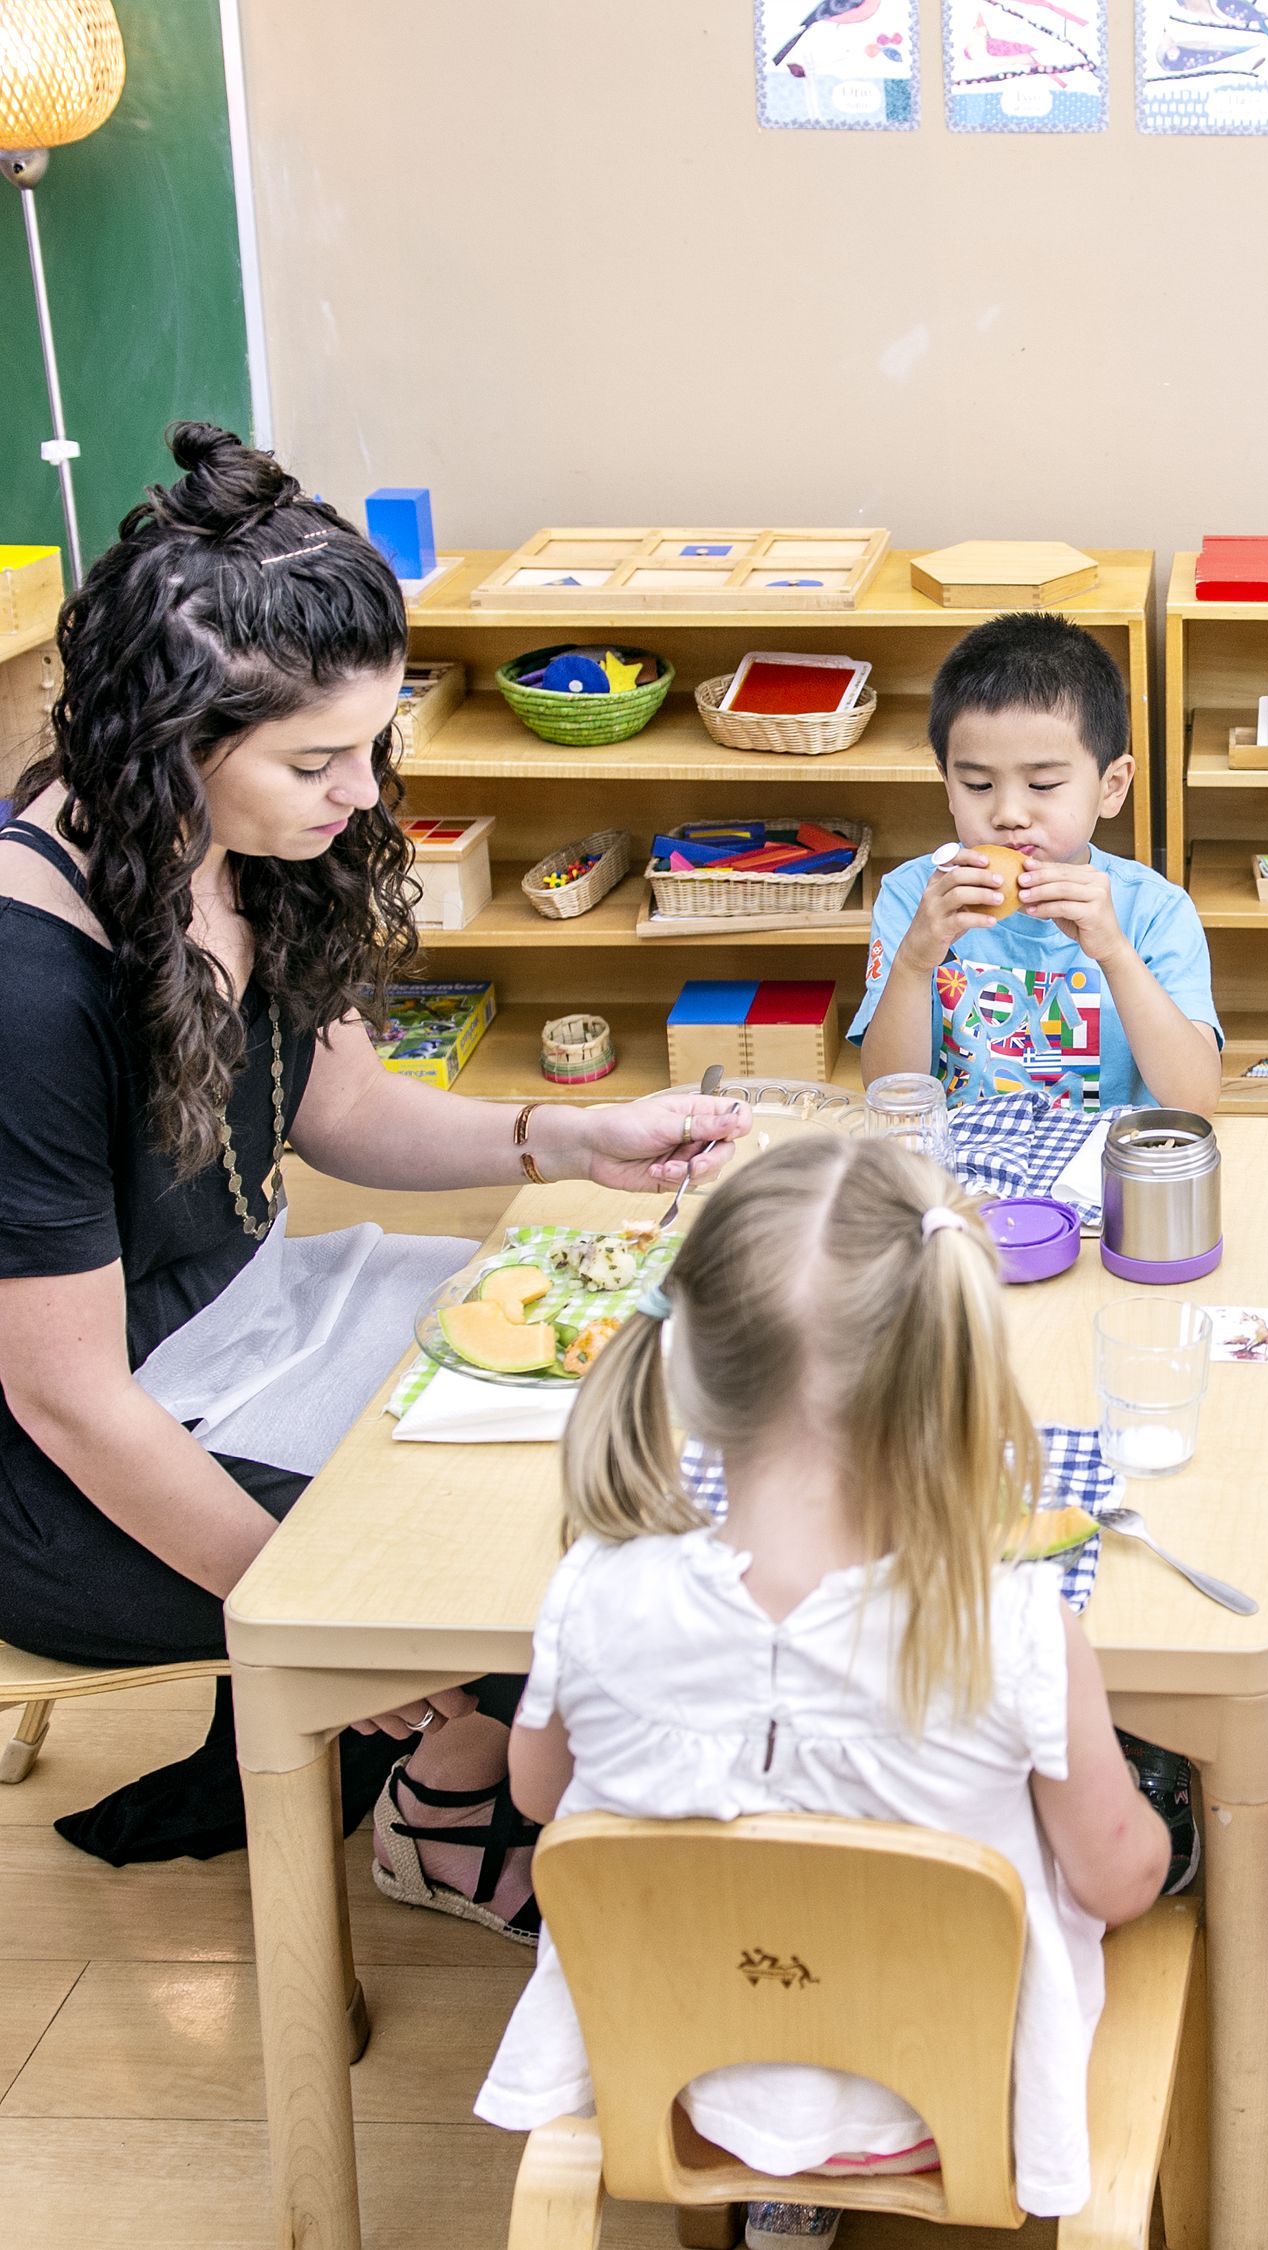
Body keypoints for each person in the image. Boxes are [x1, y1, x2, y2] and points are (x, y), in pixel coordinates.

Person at [0, 424, 745, 1912]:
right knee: (505, 1517)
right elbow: (65, 1393)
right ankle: (450, 1796)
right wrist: (325, 1609)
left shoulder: (246, 841)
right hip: (79, 1464)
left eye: (371, 738)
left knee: (642, 1368)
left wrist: (569, 1138)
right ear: (174, 740)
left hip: (248, 1317)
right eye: (315, 757)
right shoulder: (28, 981)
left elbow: (333, 1107)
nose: (358, 787)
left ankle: (537, 1757)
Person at [476, 1135, 1170, 2250]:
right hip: (951, 2104)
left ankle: (786, 2191)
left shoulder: (593, 1592)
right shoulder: (1017, 1626)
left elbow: (547, 1799)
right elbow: (1119, 1880)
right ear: (953, 1380)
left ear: (691, 1366)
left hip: (679, 2080)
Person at [850, 612, 1220, 1112]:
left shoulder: (1154, 910)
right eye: (978, 785)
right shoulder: (913, 897)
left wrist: (1113, 952)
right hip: (957, 1169)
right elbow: (889, 1094)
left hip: (1096, 1173)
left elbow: (1194, 1100)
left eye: (1043, 785)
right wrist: (916, 960)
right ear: (948, 787)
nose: (1007, 815)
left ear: (1112, 787)